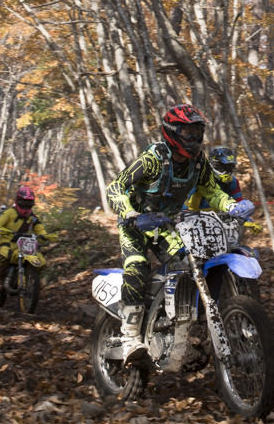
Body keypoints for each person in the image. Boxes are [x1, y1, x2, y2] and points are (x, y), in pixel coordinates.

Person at [107, 105, 254, 360]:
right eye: (187, 132)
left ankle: (175, 323)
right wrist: (131, 214)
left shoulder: (198, 163)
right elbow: (116, 186)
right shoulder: (153, 158)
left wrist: (233, 206)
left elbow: (212, 191)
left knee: (190, 264)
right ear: (173, 132)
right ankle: (130, 336)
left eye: (197, 132)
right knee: (137, 266)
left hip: (166, 225)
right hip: (136, 224)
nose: (194, 139)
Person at [0, 186, 57, 293]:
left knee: (41, 261)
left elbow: (40, 229)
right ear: (17, 202)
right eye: (23, 203)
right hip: (8, 241)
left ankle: (33, 280)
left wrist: (45, 236)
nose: (26, 207)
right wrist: (0, 229)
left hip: (24, 243)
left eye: (29, 204)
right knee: (4, 255)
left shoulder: (33, 217)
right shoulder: (9, 213)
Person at [185, 146, 242, 211]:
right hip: (193, 216)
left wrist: (244, 215)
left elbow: (239, 205)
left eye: (230, 167)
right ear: (213, 164)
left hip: (220, 217)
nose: (226, 171)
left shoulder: (232, 182)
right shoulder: (200, 179)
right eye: (223, 167)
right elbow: (184, 204)